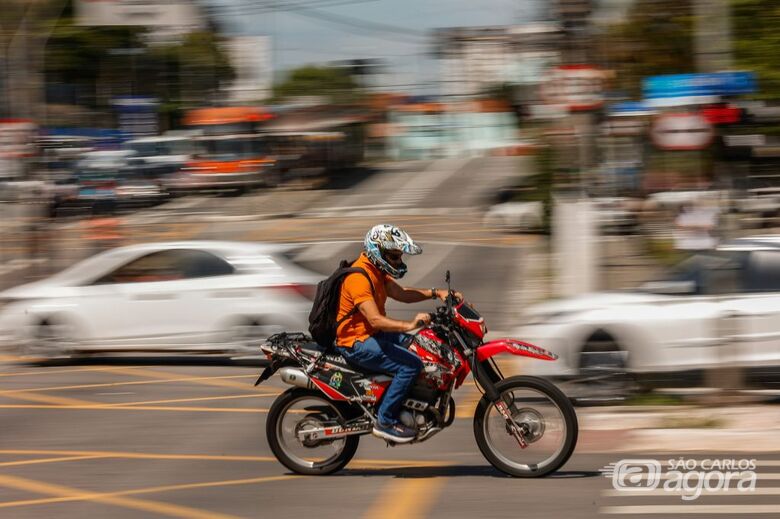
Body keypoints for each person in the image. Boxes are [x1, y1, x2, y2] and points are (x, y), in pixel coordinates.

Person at [335, 224, 462, 443]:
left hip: (373, 334)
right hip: (356, 342)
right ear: (378, 251)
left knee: (421, 344)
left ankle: (407, 399)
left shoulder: (375, 271)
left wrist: (437, 293)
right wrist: (410, 324)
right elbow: (374, 319)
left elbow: (401, 294)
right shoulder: (359, 278)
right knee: (410, 365)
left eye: (398, 256)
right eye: (394, 256)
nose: (398, 261)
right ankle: (385, 420)